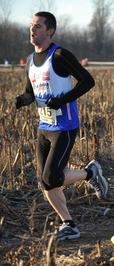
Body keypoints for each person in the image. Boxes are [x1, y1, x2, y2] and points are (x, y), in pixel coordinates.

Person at [14, 11, 108, 240]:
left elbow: (88, 81)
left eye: (38, 26)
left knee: (51, 177)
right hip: (43, 127)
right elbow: (30, 93)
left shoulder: (60, 55)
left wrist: (63, 99)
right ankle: (69, 224)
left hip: (64, 127)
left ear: (50, 31)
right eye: (31, 25)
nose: (32, 29)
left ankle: (90, 173)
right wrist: (22, 100)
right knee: (45, 182)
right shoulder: (30, 60)